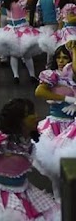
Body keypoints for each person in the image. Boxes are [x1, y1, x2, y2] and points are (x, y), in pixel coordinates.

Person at [33, 42, 76, 199]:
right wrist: (67, 99)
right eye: (58, 57)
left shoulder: (72, 76)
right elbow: (40, 92)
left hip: (73, 125)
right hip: (56, 124)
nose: (61, 61)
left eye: (65, 57)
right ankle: (58, 199)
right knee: (55, 166)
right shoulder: (53, 75)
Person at [0, 0, 41, 84]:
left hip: (10, 29)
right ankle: (32, 75)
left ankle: (16, 76)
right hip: (22, 29)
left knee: (13, 54)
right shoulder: (20, 3)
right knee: (27, 54)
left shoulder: (7, 5)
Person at [35, 0, 61, 66]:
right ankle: (52, 64)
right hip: (55, 24)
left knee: (49, 43)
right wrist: (60, 22)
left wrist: (39, 21)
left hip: (45, 24)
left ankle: (49, 64)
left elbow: (38, 12)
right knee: (56, 43)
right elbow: (58, 11)